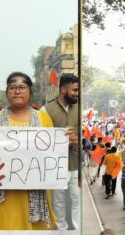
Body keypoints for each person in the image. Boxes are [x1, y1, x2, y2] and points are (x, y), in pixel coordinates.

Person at [0, 72, 57, 230]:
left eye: (22, 87)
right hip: (6, 193)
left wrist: (67, 139)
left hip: (36, 192)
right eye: (13, 87)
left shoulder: (44, 118)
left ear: (30, 92)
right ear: (7, 93)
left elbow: (52, 152)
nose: (17, 91)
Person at [42, 73, 79, 230]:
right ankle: (61, 229)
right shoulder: (46, 110)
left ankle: (78, 230)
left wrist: (77, 139)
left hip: (75, 163)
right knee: (58, 199)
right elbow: (40, 139)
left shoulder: (79, 108)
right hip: (56, 164)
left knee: (77, 198)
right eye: (74, 90)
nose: (77, 94)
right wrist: (61, 139)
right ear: (64, 89)